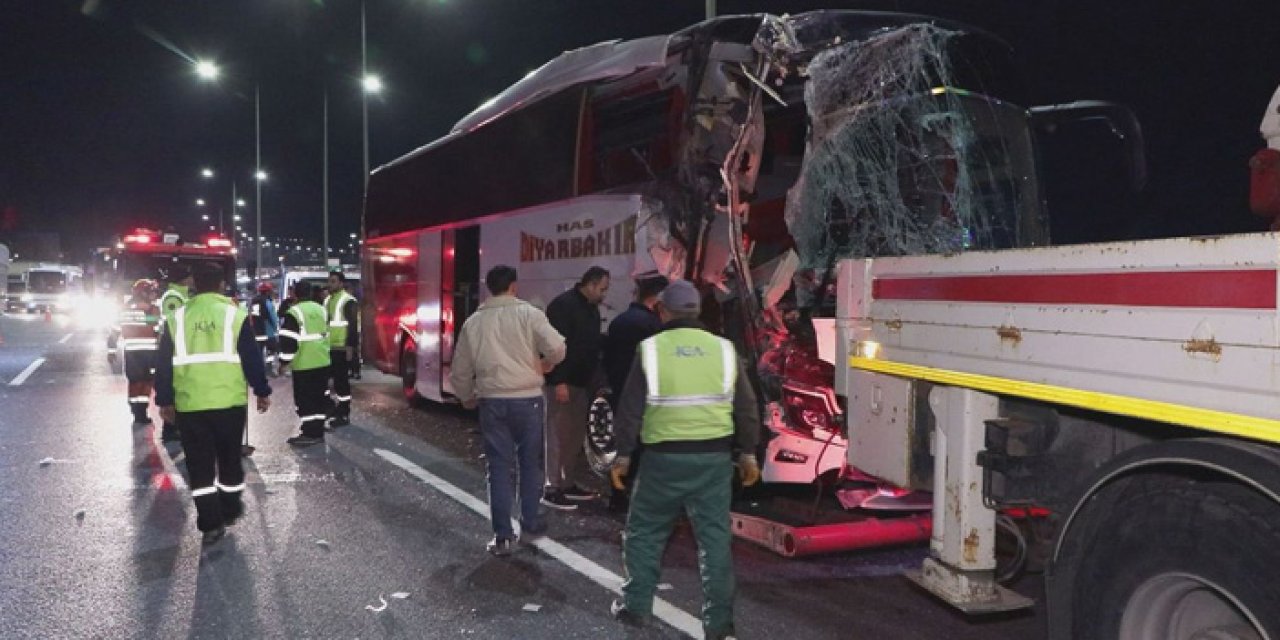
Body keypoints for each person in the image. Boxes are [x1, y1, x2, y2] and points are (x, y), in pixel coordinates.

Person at [607, 280, 761, 639]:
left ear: (663, 310)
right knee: (714, 542)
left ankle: (635, 605)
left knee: (644, 534)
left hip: (662, 461)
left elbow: (630, 410)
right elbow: (747, 407)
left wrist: (624, 457)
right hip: (713, 461)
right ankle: (719, 626)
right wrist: (749, 452)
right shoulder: (724, 350)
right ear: (697, 310)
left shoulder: (650, 349)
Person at [450, 265, 566, 556]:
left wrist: (466, 396)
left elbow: (460, 369)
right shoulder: (529, 314)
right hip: (527, 399)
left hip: (491, 401)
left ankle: (502, 536)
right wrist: (545, 364)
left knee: (499, 468)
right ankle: (530, 521)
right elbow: (557, 347)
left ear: (490, 288)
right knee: (530, 464)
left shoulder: (474, 322)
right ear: (514, 286)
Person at [155, 262, 272, 545]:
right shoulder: (235, 314)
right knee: (230, 458)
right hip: (228, 402)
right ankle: (229, 508)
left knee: (199, 465)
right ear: (221, 283)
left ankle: (210, 523)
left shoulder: (177, 318)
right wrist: (261, 389)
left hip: (191, 404)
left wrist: (165, 399)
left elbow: (163, 364)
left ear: (194, 282)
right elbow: (251, 356)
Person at [543, 266, 610, 509]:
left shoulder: (590, 309)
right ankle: (552, 487)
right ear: (590, 284)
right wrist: (558, 380)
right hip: (563, 383)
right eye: (602, 289)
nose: (604, 295)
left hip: (580, 382)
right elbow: (553, 346)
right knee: (557, 435)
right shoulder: (563, 306)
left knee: (573, 437)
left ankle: (567, 482)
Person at [600, 275, 668, 511]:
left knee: (624, 445)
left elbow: (608, 358)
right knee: (644, 448)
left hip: (621, 390)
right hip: (646, 394)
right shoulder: (652, 326)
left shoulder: (619, 321)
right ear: (657, 299)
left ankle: (617, 495)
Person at [278, 280, 331, 446]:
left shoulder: (294, 312)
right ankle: (317, 429)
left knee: (305, 400)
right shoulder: (321, 309)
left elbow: (289, 340)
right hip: (322, 361)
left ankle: (310, 432)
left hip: (304, 364)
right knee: (319, 398)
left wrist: (284, 362)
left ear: (295, 293)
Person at [120, 279, 161, 424]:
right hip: (149, 353)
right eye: (151, 292)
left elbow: (115, 330)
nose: (153, 295)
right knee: (146, 382)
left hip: (131, 352)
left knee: (134, 381)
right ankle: (141, 412)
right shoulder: (153, 309)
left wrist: (111, 350)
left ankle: (134, 408)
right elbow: (158, 330)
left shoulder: (124, 308)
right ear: (143, 293)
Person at [324, 271, 359, 427]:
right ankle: (332, 407)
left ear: (341, 283)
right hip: (328, 347)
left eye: (333, 281)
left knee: (341, 382)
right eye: (329, 281)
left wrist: (350, 347)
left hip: (341, 348)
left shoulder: (347, 301)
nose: (330, 284)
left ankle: (344, 413)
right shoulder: (328, 300)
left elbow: (352, 326)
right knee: (324, 380)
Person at [250, 282, 281, 377]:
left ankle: (256, 371)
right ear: (268, 292)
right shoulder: (267, 302)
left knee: (258, 352)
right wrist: (277, 326)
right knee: (272, 349)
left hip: (256, 331)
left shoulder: (254, 301)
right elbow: (273, 317)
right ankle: (268, 369)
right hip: (268, 331)